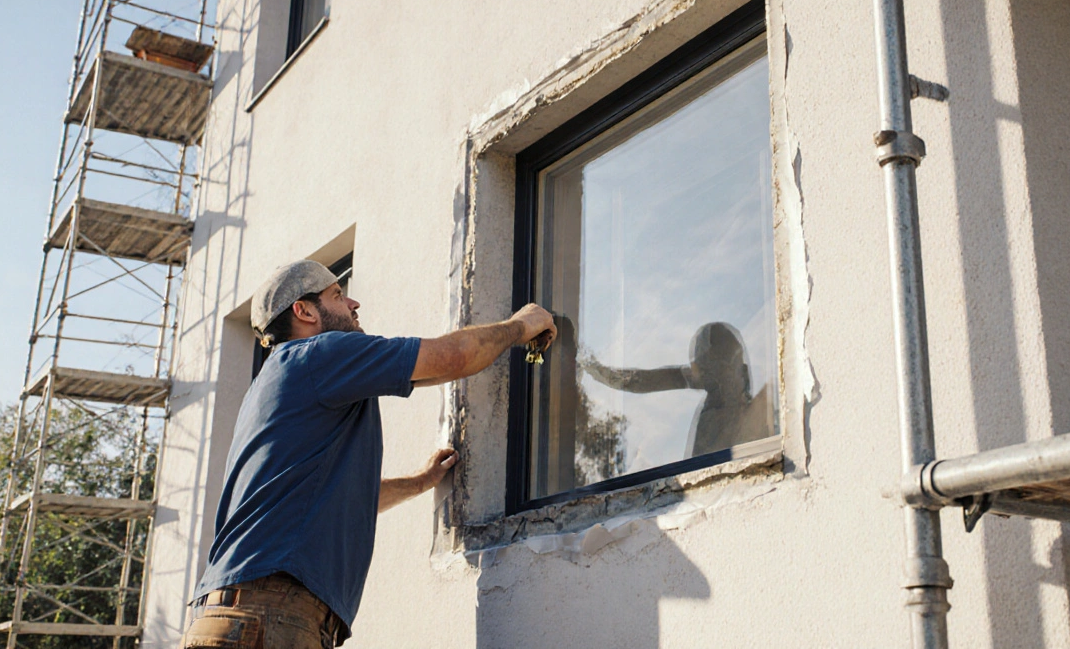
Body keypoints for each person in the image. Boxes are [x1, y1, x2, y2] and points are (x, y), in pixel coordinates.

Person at [180, 260, 555, 649]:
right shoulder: (318, 355)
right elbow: (452, 357)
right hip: (269, 616)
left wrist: (419, 482)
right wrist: (521, 325)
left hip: (230, 615)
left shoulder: (276, 383)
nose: (353, 303)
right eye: (337, 296)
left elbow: (339, 500)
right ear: (304, 311)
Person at [582, 322, 772, 458]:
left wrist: (597, 370)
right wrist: (597, 370)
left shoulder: (761, 411)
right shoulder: (711, 395)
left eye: (723, 364)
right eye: (704, 365)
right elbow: (645, 380)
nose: (707, 371)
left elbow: (646, 380)